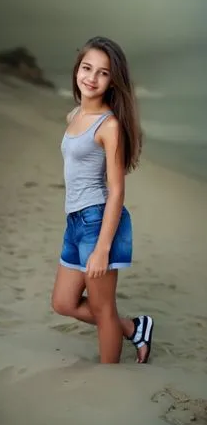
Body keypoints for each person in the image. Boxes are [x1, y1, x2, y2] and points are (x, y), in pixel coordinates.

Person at [51, 36, 154, 364]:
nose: (91, 78)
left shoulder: (109, 126)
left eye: (103, 72)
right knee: (63, 303)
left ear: (113, 81)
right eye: (86, 68)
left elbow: (117, 190)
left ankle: (110, 381)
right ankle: (133, 328)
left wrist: (102, 248)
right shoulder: (74, 115)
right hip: (75, 221)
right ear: (77, 70)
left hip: (98, 220)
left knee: (101, 308)